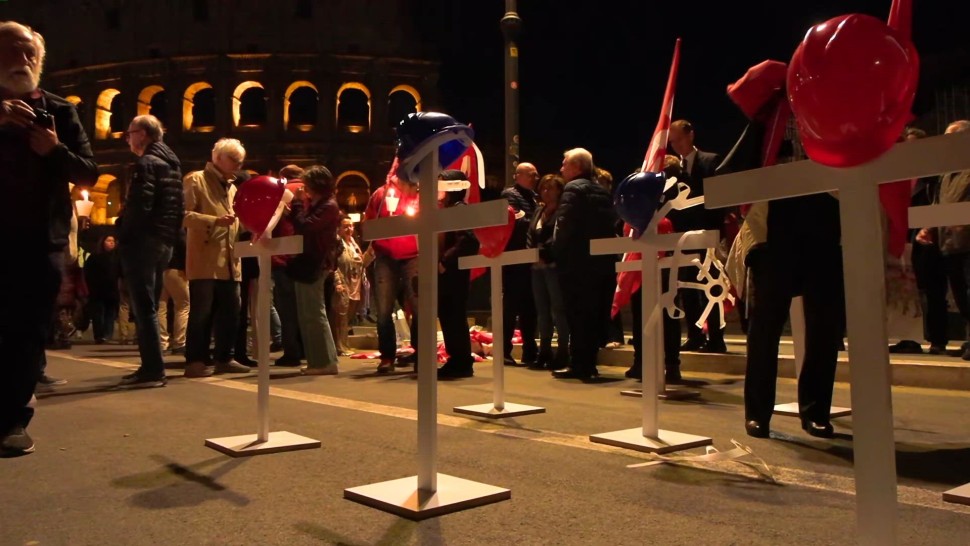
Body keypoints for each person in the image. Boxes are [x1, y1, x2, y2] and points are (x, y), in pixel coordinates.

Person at [0, 21, 98, 455]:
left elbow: (88, 172)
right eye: (12, 52)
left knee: (26, 331)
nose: (23, 62)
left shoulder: (59, 110)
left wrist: (54, 149)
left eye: (30, 55)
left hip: (39, 239)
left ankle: (13, 421)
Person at [115, 114, 184, 388]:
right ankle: (151, 367)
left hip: (143, 242)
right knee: (151, 306)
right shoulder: (172, 165)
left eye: (130, 132)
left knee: (144, 307)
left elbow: (139, 205)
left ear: (143, 134)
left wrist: (121, 230)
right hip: (164, 242)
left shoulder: (146, 163)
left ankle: (153, 370)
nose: (127, 138)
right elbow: (176, 208)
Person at [182, 138, 252, 377]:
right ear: (218, 158)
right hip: (205, 259)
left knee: (232, 311)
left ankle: (225, 357)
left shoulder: (232, 188)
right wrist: (214, 221)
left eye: (240, 161)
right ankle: (195, 361)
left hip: (231, 261)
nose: (239, 164)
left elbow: (236, 222)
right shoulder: (196, 180)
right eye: (234, 159)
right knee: (202, 312)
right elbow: (183, 216)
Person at [552, 148, 619, 380]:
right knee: (594, 314)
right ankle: (589, 363)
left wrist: (554, 253)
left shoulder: (573, 189)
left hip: (576, 263)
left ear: (577, 167)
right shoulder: (603, 191)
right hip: (601, 263)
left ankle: (578, 365)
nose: (561, 168)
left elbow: (565, 226)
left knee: (576, 314)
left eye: (565, 164)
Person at [668, 119, 727, 353]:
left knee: (710, 286)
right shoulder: (674, 168)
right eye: (672, 142)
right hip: (683, 237)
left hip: (707, 233)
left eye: (679, 139)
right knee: (687, 288)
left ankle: (716, 337)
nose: (676, 145)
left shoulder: (710, 161)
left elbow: (716, 199)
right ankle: (694, 335)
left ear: (691, 135)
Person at [917, 120, 970, 359]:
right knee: (960, 294)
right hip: (950, 243)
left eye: (951, 137)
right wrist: (928, 226)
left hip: (967, 241)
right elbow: (939, 202)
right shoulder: (947, 172)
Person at [363, 157, 420, 373]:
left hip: (415, 255)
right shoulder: (381, 193)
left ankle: (420, 353)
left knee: (419, 306)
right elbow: (368, 221)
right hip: (385, 255)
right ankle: (387, 356)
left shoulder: (423, 194)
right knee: (384, 308)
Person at [287, 165, 342, 375]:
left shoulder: (328, 205)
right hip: (308, 260)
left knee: (314, 312)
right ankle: (317, 360)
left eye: (307, 183)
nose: (304, 188)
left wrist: (298, 204)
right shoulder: (320, 203)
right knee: (307, 313)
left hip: (316, 262)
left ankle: (325, 362)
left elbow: (306, 226)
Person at [435, 169, 480, 379]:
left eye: (442, 184)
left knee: (454, 316)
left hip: (454, 273)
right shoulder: (447, 209)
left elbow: (469, 240)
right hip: (447, 273)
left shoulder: (459, 209)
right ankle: (458, 359)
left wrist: (445, 261)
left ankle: (461, 361)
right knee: (448, 315)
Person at [527, 173, 570, 371]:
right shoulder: (539, 210)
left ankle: (563, 351)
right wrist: (531, 254)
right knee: (541, 310)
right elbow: (530, 235)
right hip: (537, 267)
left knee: (558, 309)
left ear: (560, 190)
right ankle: (544, 351)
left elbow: (561, 238)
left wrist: (546, 254)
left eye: (550, 188)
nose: (545, 191)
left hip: (554, 265)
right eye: (543, 188)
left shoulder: (562, 211)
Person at [500, 162, 539, 366]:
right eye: (531, 175)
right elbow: (515, 220)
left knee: (529, 307)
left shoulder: (533, 197)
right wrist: (537, 220)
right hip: (514, 256)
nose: (535, 178)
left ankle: (529, 349)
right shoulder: (510, 195)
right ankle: (504, 350)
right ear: (518, 176)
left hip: (528, 256)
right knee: (511, 305)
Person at [331, 214, 366, 356]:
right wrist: (337, 281)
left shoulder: (353, 242)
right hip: (343, 281)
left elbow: (361, 261)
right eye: (345, 226)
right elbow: (334, 264)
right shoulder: (337, 243)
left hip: (355, 283)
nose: (349, 229)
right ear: (338, 228)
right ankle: (339, 345)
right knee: (340, 315)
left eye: (351, 226)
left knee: (348, 315)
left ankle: (345, 344)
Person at [84, 235, 121, 344]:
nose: (111, 243)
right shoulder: (95, 256)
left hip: (112, 289)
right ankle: (99, 335)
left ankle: (107, 335)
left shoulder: (116, 257)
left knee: (110, 313)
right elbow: (88, 272)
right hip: (97, 289)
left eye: (113, 241)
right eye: (108, 240)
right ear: (102, 242)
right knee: (98, 313)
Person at [158, 227, 189, 356]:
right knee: (183, 305)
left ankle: (161, 342)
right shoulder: (178, 230)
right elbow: (183, 248)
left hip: (160, 269)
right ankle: (180, 342)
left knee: (161, 306)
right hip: (176, 268)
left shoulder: (159, 229)